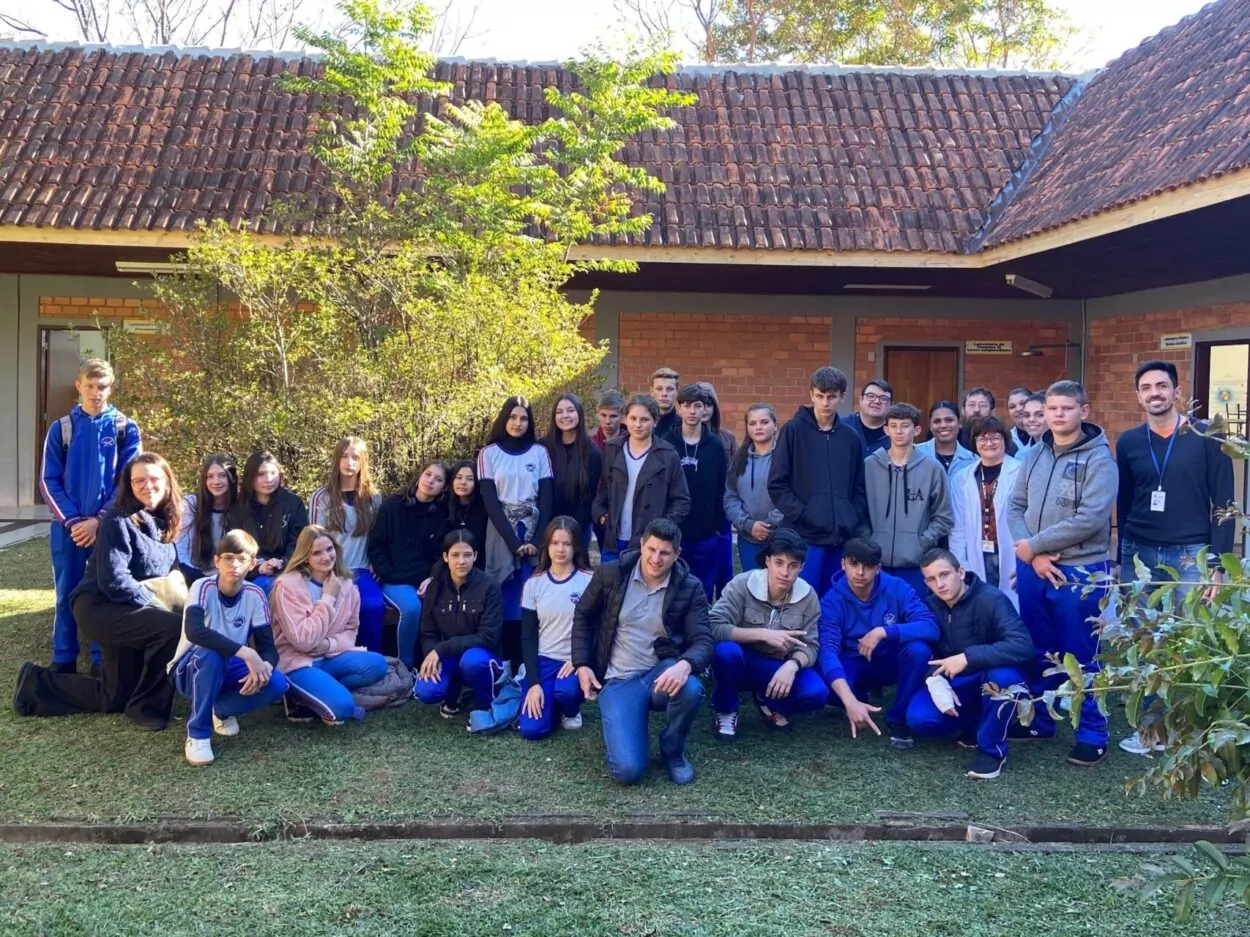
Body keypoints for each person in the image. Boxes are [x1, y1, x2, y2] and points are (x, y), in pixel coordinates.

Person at [1115, 359, 1234, 756]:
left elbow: (1225, 504)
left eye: (1162, 386)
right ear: (1138, 396)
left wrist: (1216, 566)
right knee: (1145, 642)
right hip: (1140, 552)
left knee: (1183, 645)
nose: (1155, 393)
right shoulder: (1129, 441)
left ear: (1177, 390)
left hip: (1190, 554)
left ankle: (1180, 729)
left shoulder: (1206, 436)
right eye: (1146, 387)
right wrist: (1121, 558)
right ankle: (1150, 729)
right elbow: (1124, 500)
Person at [15, 453, 184, 730]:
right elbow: (114, 580)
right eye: (138, 480)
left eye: (154, 479)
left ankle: (36, 683)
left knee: (114, 696)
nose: (147, 485)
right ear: (128, 486)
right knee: (173, 628)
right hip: (100, 607)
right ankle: (147, 707)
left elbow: (172, 572)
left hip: (130, 608)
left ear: (167, 482)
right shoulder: (118, 519)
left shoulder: (166, 522)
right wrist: (156, 606)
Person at [1007, 379, 1117, 767]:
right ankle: (1041, 720)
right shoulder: (1035, 454)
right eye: (1052, 408)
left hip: (1080, 572)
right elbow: (1015, 506)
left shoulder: (1100, 459)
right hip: (1036, 570)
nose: (1057, 415)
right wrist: (1031, 553)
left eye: (1066, 408)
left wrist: (1034, 547)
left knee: (1082, 654)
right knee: (1040, 650)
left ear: (1083, 412)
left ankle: (1093, 732)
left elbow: (1090, 518)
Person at [572, 518, 713, 785]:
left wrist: (684, 665)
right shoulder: (611, 574)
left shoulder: (689, 586)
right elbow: (583, 615)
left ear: (677, 554)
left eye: (665, 553)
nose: (656, 558)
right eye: (651, 549)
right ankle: (630, 724)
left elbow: (703, 639)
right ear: (641, 545)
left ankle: (673, 749)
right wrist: (582, 664)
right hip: (618, 678)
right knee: (628, 772)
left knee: (691, 688)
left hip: (660, 672)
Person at [39, 357, 142, 674]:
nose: (96, 393)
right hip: (68, 529)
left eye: (102, 387)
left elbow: (128, 481)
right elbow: (48, 480)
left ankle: (101, 659)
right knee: (67, 592)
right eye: (90, 386)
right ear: (78, 386)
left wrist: (100, 520)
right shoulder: (62, 429)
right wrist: (73, 521)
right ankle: (64, 657)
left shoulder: (125, 429)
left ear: (111, 388)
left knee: (104, 590)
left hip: (108, 527)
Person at [905, 548, 1034, 780]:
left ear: (961, 572)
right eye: (932, 579)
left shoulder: (991, 598)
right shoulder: (930, 606)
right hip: (958, 683)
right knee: (919, 718)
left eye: (945, 575)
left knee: (1004, 679)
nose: (940, 584)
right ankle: (977, 723)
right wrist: (935, 681)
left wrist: (967, 657)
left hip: (992, 674)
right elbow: (924, 653)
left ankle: (992, 752)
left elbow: (1023, 645)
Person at [170, 529, 289, 766]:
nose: (234, 564)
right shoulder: (202, 587)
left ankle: (220, 711)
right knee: (212, 654)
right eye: (228, 558)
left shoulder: (255, 594)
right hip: (190, 668)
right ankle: (198, 734)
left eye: (242, 559)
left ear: (253, 563)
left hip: (228, 667)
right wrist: (246, 652)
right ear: (217, 560)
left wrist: (263, 668)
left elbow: (269, 649)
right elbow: (196, 632)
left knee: (276, 683)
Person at [818, 536, 938, 749]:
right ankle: (858, 697)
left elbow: (930, 626)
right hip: (853, 661)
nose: (860, 572)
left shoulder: (897, 587)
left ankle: (898, 719)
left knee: (918, 650)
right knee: (828, 692)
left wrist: (884, 631)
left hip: (889, 661)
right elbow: (827, 651)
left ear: (878, 568)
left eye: (869, 566)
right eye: (854, 564)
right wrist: (849, 701)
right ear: (843, 564)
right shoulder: (831, 600)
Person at [708, 528, 827, 738]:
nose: (785, 572)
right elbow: (714, 626)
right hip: (741, 659)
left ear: (802, 567)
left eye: (793, 566)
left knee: (816, 693)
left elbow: (811, 645)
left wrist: (793, 665)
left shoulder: (808, 597)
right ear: (767, 561)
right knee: (725, 652)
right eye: (779, 563)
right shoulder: (742, 585)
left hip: (776, 666)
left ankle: (768, 699)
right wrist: (763, 634)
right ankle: (726, 708)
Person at [270, 525, 388, 726]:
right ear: (305, 556)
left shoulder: (347, 584)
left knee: (377, 665)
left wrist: (328, 645)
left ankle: (321, 690)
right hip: (298, 662)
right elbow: (303, 641)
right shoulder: (287, 586)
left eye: (329, 549)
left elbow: (351, 631)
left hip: (330, 657)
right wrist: (327, 598)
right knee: (343, 709)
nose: (326, 557)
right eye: (316, 553)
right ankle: (295, 693)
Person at [769, 367, 868, 595]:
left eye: (832, 396)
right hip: (805, 539)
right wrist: (804, 514)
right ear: (811, 394)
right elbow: (777, 484)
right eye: (820, 396)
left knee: (834, 600)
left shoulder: (850, 437)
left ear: (842, 397)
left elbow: (859, 487)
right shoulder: (793, 431)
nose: (825, 402)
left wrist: (850, 516)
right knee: (801, 599)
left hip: (841, 539)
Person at [477, 396, 553, 669]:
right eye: (513, 417)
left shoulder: (539, 453)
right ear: (504, 419)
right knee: (505, 596)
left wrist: (534, 540)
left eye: (523, 418)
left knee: (531, 594)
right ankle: (507, 659)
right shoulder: (488, 453)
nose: (518, 423)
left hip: (533, 530)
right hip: (501, 532)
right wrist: (512, 543)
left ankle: (528, 662)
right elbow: (489, 500)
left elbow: (546, 498)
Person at [863, 403, 952, 594]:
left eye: (905, 426)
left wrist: (922, 543)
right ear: (886, 429)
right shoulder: (869, 466)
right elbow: (857, 509)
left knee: (913, 616)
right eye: (893, 426)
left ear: (917, 430)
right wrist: (868, 541)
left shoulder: (932, 468)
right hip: (876, 564)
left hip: (916, 564)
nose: (899, 431)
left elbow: (943, 516)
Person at [369, 460, 449, 668]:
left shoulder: (440, 514)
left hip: (423, 579)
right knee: (412, 608)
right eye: (428, 475)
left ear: (445, 487)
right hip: (394, 579)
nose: (431, 481)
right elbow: (376, 546)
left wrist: (432, 578)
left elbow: (439, 555)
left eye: (438, 479)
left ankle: (437, 664)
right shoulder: (392, 506)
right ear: (420, 475)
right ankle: (405, 666)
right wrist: (387, 573)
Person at [415, 530, 503, 717]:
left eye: (467, 555)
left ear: (475, 556)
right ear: (446, 557)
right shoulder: (434, 587)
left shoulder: (490, 586)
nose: (461, 561)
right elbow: (428, 632)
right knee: (427, 691)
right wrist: (432, 655)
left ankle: (484, 704)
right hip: (449, 656)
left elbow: (488, 637)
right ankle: (452, 694)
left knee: (473, 662)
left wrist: (443, 648)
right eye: (455, 555)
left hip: (481, 655)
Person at [519, 517, 593, 740]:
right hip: (545, 661)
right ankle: (550, 705)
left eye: (567, 543)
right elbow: (529, 637)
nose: (560, 549)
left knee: (567, 691)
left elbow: (600, 627)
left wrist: (580, 659)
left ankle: (571, 709)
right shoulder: (534, 584)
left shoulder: (589, 580)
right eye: (555, 543)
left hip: (576, 661)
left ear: (576, 546)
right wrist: (533, 684)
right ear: (547, 546)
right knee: (532, 730)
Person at [310, 437, 384, 653]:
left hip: (362, 570)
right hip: (330, 569)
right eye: (344, 456)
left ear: (363, 462)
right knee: (334, 608)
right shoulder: (321, 497)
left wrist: (377, 564)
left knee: (372, 606)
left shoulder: (374, 498)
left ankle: (372, 661)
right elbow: (314, 538)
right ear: (336, 459)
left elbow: (379, 537)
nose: (349, 462)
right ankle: (337, 658)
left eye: (355, 457)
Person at [594, 394, 690, 563]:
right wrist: (600, 513)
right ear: (625, 419)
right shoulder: (612, 449)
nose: (637, 425)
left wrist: (662, 528)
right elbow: (602, 488)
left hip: (648, 543)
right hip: (613, 540)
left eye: (644, 420)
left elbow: (681, 500)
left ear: (655, 421)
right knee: (610, 587)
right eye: (633, 418)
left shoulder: (668, 455)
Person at [949, 417, 1022, 607]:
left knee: (1014, 609)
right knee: (983, 608)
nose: (989, 443)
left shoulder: (1021, 472)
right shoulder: (962, 478)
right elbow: (957, 526)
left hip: (1012, 553)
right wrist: (960, 562)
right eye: (982, 438)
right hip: (978, 553)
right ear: (974, 442)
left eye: (995, 438)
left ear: (1005, 441)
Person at [665, 383, 729, 600]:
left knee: (702, 589)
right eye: (687, 405)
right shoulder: (666, 443)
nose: (692, 411)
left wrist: (717, 524)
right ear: (678, 408)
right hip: (673, 532)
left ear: (705, 410)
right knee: (670, 588)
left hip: (706, 533)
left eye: (698, 406)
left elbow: (722, 487)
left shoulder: (715, 446)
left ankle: (698, 632)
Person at [224, 450, 308, 593]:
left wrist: (282, 562)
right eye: (261, 474)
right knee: (262, 586)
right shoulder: (237, 508)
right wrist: (257, 566)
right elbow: (234, 545)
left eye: (273, 473)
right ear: (250, 477)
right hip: (249, 572)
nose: (268, 479)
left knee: (277, 586)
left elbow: (300, 541)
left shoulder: (293, 504)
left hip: (290, 570)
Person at [724, 403, 783, 572]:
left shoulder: (785, 458)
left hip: (779, 537)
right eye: (753, 423)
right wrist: (748, 525)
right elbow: (730, 497)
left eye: (764, 422)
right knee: (753, 588)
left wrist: (770, 524)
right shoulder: (738, 460)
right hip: (748, 538)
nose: (758, 427)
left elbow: (792, 495)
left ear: (775, 425)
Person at [542, 392, 602, 552]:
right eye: (559, 412)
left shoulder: (592, 453)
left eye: (570, 410)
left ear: (579, 414)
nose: (565, 416)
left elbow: (589, 498)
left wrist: (569, 530)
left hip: (578, 529)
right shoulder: (542, 448)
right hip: (545, 528)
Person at [697, 381, 739, 598]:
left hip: (721, 514)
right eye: (698, 404)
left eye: (708, 405)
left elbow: (735, 477)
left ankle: (724, 621)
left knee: (723, 569)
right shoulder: (683, 438)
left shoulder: (727, 439)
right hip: (695, 514)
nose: (703, 410)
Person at [177, 453, 237, 584]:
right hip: (194, 573)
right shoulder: (192, 504)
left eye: (222, 475)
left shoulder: (240, 506)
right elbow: (180, 545)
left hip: (229, 575)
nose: (216, 481)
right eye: (210, 476)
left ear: (231, 478)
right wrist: (196, 575)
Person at [446, 460, 488, 570]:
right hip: (448, 567)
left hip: (479, 568)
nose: (463, 482)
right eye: (459, 477)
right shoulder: (443, 506)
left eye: (470, 479)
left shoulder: (485, 508)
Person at [915, 401, 976, 477]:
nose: (943, 425)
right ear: (930, 426)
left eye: (949, 420)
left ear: (960, 423)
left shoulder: (972, 460)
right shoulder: (915, 453)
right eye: (937, 421)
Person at [959, 387, 1018, 456]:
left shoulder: (1004, 442)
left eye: (983, 405)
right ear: (963, 410)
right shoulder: (954, 438)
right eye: (971, 405)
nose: (976, 410)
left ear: (992, 412)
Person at [846, 379, 892, 453]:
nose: (877, 401)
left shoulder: (896, 432)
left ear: (891, 404)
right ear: (861, 400)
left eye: (883, 398)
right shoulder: (841, 425)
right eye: (871, 396)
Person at [650, 366, 681, 438]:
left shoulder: (684, 427)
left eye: (670, 389)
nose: (664, 394)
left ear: (677, 391)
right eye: (659, 389)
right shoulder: (642, 425)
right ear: (651, 391)